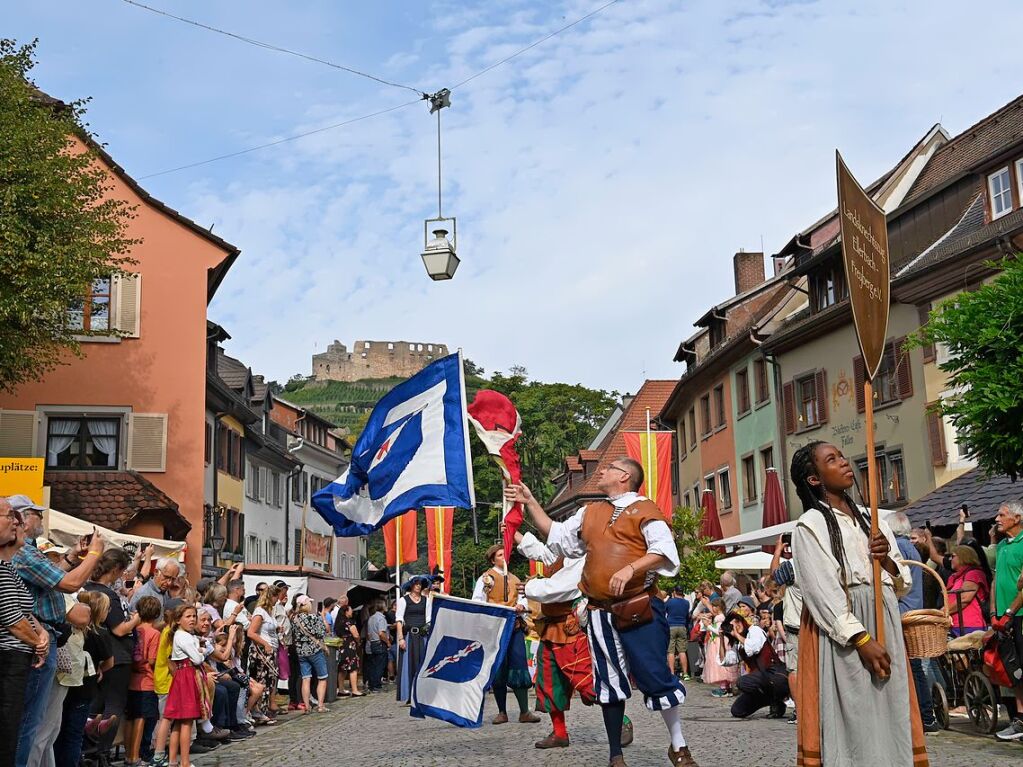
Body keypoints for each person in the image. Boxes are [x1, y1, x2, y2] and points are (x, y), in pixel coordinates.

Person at [506, 457, 696, 767]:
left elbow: (664, 551)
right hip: (598, 612)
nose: (602, 471)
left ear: (624, 476)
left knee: (655, 676)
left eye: (608, 468)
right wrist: (530, 502)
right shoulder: (590, 512)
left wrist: (631, 568)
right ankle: (615, 756)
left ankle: (679, 745)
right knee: (608, 682)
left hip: (638, 609)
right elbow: (556, 534)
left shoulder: (646, 510)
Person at [789, 441, 926, 767]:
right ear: (814, 478)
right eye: (832, 460)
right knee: (853, 712)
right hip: (844, 630)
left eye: (841, 456)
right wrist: (861, 639)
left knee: (891, 708)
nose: (844, 463)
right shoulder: (811, 525)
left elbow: (903, 583)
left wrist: (888, 561)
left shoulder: (872, 518)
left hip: (885, 616)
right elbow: (821, 590)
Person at [514, 526, 634, 751]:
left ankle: (622, 723)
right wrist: (514, 534)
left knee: (587, 682)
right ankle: (559, 733)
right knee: (549, 682)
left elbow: (561, 588)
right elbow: (544, 553)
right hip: (550, 629)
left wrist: (530, 586)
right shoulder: (566, 552)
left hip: (571, 630)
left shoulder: (586, 557)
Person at [9, 494, 104, 767]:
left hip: (41, 635)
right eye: (37, 513)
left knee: (39, 726)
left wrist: (72, 558)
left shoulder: (26, 552)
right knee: (32, 723)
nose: (41, 518)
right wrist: (95, 553)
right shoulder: (24, 552)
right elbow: (69, 585)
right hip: (37, 637)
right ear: (23, 519)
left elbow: (49, 578)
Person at [0, 502, 49, 767]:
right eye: (11, 517)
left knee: (17, 725)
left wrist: (41, 634)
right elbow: (11, 617)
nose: (17, 523)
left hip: (18, 656)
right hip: (9, 657)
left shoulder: (8, 568)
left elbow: (25, 612)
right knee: (9, 728)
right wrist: (39, 642)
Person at [471, 543, 540, 725]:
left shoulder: (515, 578)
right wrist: (499, 608)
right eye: (500, 555)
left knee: (520, 667)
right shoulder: (486, 579)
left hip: (515, 628)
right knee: (499, 670)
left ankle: (524, 711)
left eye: (505, 554)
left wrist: (521, 606)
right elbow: (478, 602)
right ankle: (502, 711)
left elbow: (524, 600)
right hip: (495, 630)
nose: (504, 557)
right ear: (493, 559)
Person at [83, 547, 141, 756]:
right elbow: (119, 629)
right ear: (116, 569)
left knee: (95, 706)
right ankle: (101, 751)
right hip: (116, 656)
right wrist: (137, 617)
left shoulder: (86, 587)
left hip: (96, 655)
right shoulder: (108, 595)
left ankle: (89, 750)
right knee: (113, 706)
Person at [889, 511, 938, 734]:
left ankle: (922, 717)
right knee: (915, 666)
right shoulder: (913, 548)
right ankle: (926, 717)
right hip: (913, 608)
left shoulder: (897, 548)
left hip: (901, 611)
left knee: (907, 667)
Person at [56, 591, 113, 767]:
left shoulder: (74, 630)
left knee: (59, 730)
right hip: (84, 685)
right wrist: (99, 669)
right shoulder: (100, 633)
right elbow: (110, 662)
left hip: (65, 682)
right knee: (73, 734)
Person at [991, 501, 1023, 741]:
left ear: (1017, 517)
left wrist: (1010, 612)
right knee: (1015, 670)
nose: (997, 518)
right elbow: (995, 581)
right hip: (1004, 617)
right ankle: (1020, 719)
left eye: (1002, 514)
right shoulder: (1001, 545)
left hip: (1019, 616)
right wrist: (994, 613)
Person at [724, 609, 789, 719]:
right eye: (732, 626)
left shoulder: (754, 630)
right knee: (737, 710)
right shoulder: (739, 644)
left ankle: (776, 699)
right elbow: (728, 661)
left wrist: (737, 635)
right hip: (761, 680)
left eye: (737, 622)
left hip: (775, 674)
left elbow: (753, 648)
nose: (736, 626)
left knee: (743, 682)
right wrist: (722, 638)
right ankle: (772, 700)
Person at [162, 604, 205, 767]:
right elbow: (197, 659)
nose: (192, 619)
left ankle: (173, 760)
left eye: (194, 616)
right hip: (186, 675)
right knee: (186, 721)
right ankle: (185, 762)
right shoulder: (184, 637)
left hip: (182, 676)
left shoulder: (184, 635)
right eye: (188, 616)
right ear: (179, 620)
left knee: (179, 722)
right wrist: (201, 652)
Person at [124, 595, 163, 766]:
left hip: (130, 679)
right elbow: (152, 659)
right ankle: (137, 755)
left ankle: (128, 754)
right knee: (143, 718)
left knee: (130, 718)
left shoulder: (134, 629)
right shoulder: (154, 633)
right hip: (146, 680)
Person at [247, 584, 281, 722]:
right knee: (263, 679)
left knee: (270, 681)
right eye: (276, 597)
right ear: (270, 597)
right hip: (262, 651)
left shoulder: (269, 612)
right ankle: (257, 710)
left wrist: (277, 629)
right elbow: (251, 632)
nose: (277, 600)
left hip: (271, 650)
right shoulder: (260, 611)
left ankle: (263, 710)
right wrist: (265, 644)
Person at [395, 575, 431, 704]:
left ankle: (423, 695)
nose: (418, 586)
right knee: (409, 665)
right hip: (409, 636)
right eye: (416, 583)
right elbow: (399, 620)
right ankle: (409, 695)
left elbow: (428, 619)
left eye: (420, 583)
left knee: (423, 664)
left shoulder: (426, 600)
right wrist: (401, 639)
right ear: (411, 585)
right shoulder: (403, 600)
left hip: (422, 637)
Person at [292, 594, 330, 713]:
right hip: (315, 650)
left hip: (301, 652)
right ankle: (320, 705)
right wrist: (322, 617)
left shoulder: (295, 618)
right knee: (322, 677)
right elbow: (323, 632)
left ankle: (307, 707)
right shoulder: (313, 617)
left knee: (306, 678)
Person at [947, 545, 989, 635]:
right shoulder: (956, 577)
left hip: (969, 626)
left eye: (953, 556)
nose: (950, 559)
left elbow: (964, 599)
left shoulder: (973, 574)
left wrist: (943, 612)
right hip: (955, 625)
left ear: (964, 557)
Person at [699, 598, 736, 697]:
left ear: (719, 607)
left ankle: (723, 688)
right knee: (721, 663)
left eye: (714, 606)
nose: (713, 608)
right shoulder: (721, 617)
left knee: (719, 664)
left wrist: (708, 626)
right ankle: (728, 687)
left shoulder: (720, 617)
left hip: (718, 642)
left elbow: (719, 631)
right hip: (718, 641)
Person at [335, 603, 363, 697]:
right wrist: (358, 641)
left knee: (342, 669)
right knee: (353, 668)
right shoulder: (349, 622)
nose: (352, 612)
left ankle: (341, 689)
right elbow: (356, 635)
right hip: (350, 646)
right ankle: (355, 690)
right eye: (351, 610)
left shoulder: (338, 622)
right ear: (346, 611)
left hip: (341, 646)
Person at [363, 600, 390, 692]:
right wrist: (388, 642)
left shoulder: (371, 618)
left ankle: (372, 684)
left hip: (373, 643)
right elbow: (381, 633)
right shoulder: (381, 618)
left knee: (373, 665)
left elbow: (369, 633)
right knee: (380, 665)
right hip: (380, 643)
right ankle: (376, 685)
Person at [665, 586, 691, 681]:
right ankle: (685, 673)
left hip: (671, 626)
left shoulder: (670, 602)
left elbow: (664, 610)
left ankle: (672, 673)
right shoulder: (686, 603)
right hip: (682, 626)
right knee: (682, 651)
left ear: (674, 592)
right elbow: (687, 616)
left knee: (670, 651)